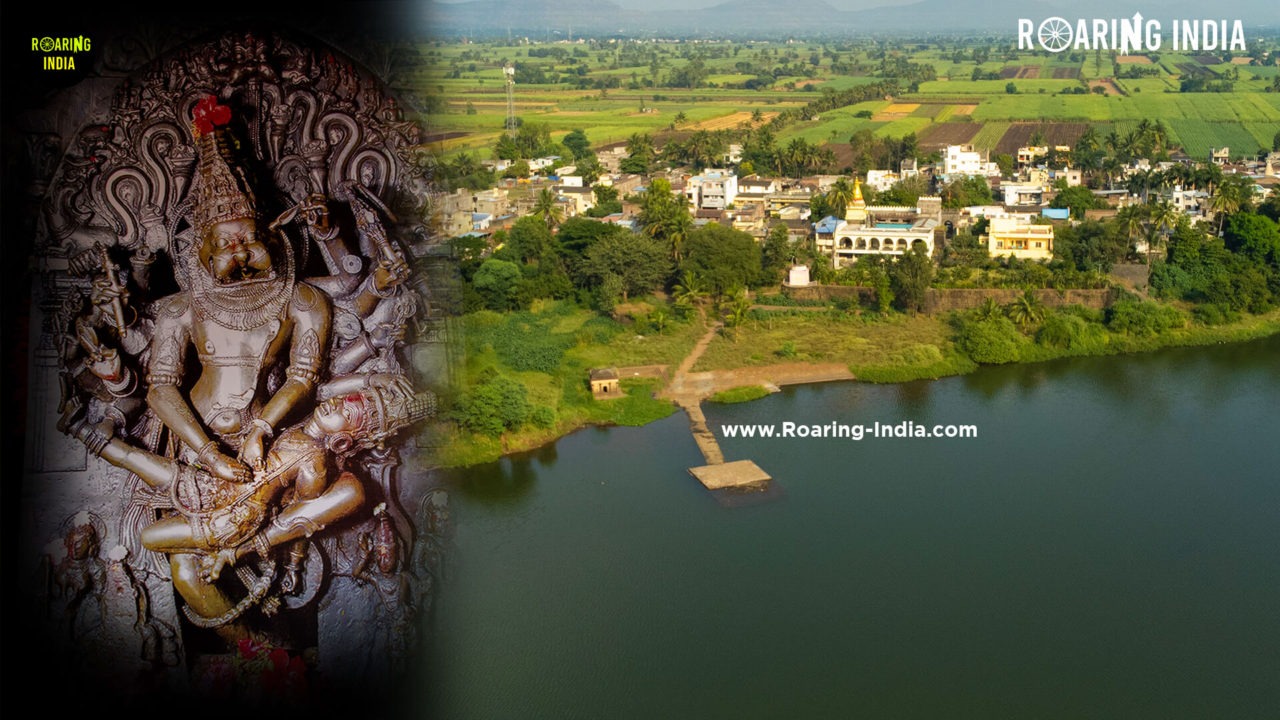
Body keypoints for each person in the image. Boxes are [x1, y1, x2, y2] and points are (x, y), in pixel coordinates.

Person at [70, 374, 434, 635]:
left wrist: (256, 554)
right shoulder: (307, 424)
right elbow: (331, 387)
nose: (336, 404)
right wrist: (376, 381)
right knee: (147, 465)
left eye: (347, 414)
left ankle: (250, 640)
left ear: (344, 440)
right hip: (222, 483)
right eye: (341, 403)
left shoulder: (316, 465)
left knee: (149, 537)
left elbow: (296, 516)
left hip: (237, 517)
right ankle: (80, 429)